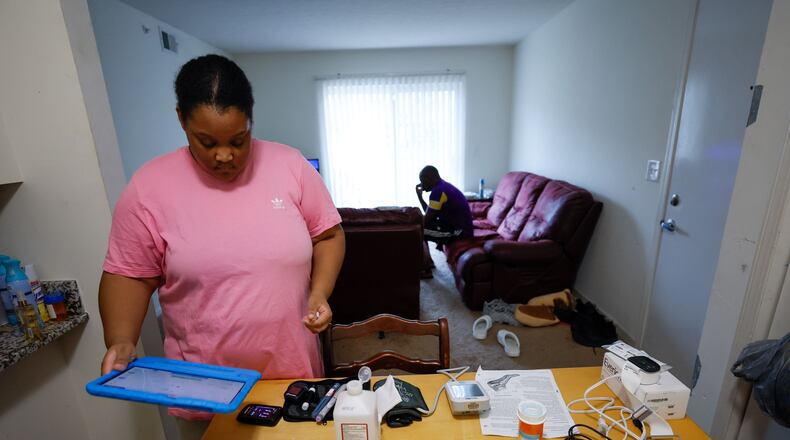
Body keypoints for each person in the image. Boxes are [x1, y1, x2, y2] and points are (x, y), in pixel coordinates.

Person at [98, 54, 345, 431]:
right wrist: (120, 339)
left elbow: (327, 234)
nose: (225, 155)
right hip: (203, 389)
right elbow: (129, 274)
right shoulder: (149, 189)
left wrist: (319, 293)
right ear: (181, 119)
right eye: (207, 141)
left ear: (251, 120)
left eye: (238, 140)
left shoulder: (290, 166)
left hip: (292, 378)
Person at [415, 165, 473, 249]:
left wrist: (412, 223)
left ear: (430, 178)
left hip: (460, 232)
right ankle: (426, 260)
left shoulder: (438, 191)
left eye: (422, 180)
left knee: (419, 231)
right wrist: (420, 197)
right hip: (453, 227)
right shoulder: (442, 186)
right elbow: (430, 213)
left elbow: (427, 219)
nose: (421, 184)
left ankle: (426, 262)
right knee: (421, 227)